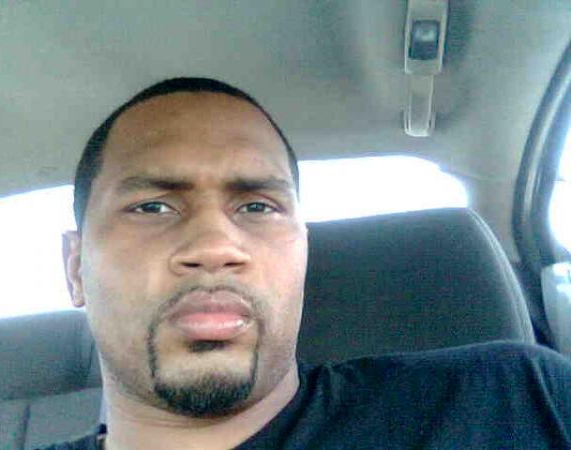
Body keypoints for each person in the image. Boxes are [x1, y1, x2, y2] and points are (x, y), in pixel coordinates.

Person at [47, 77, 571, 449]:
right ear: (75, 269)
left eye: (257, 207)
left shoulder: (517, 400)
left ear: (302, 254)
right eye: (152, 207)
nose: (215, 246)